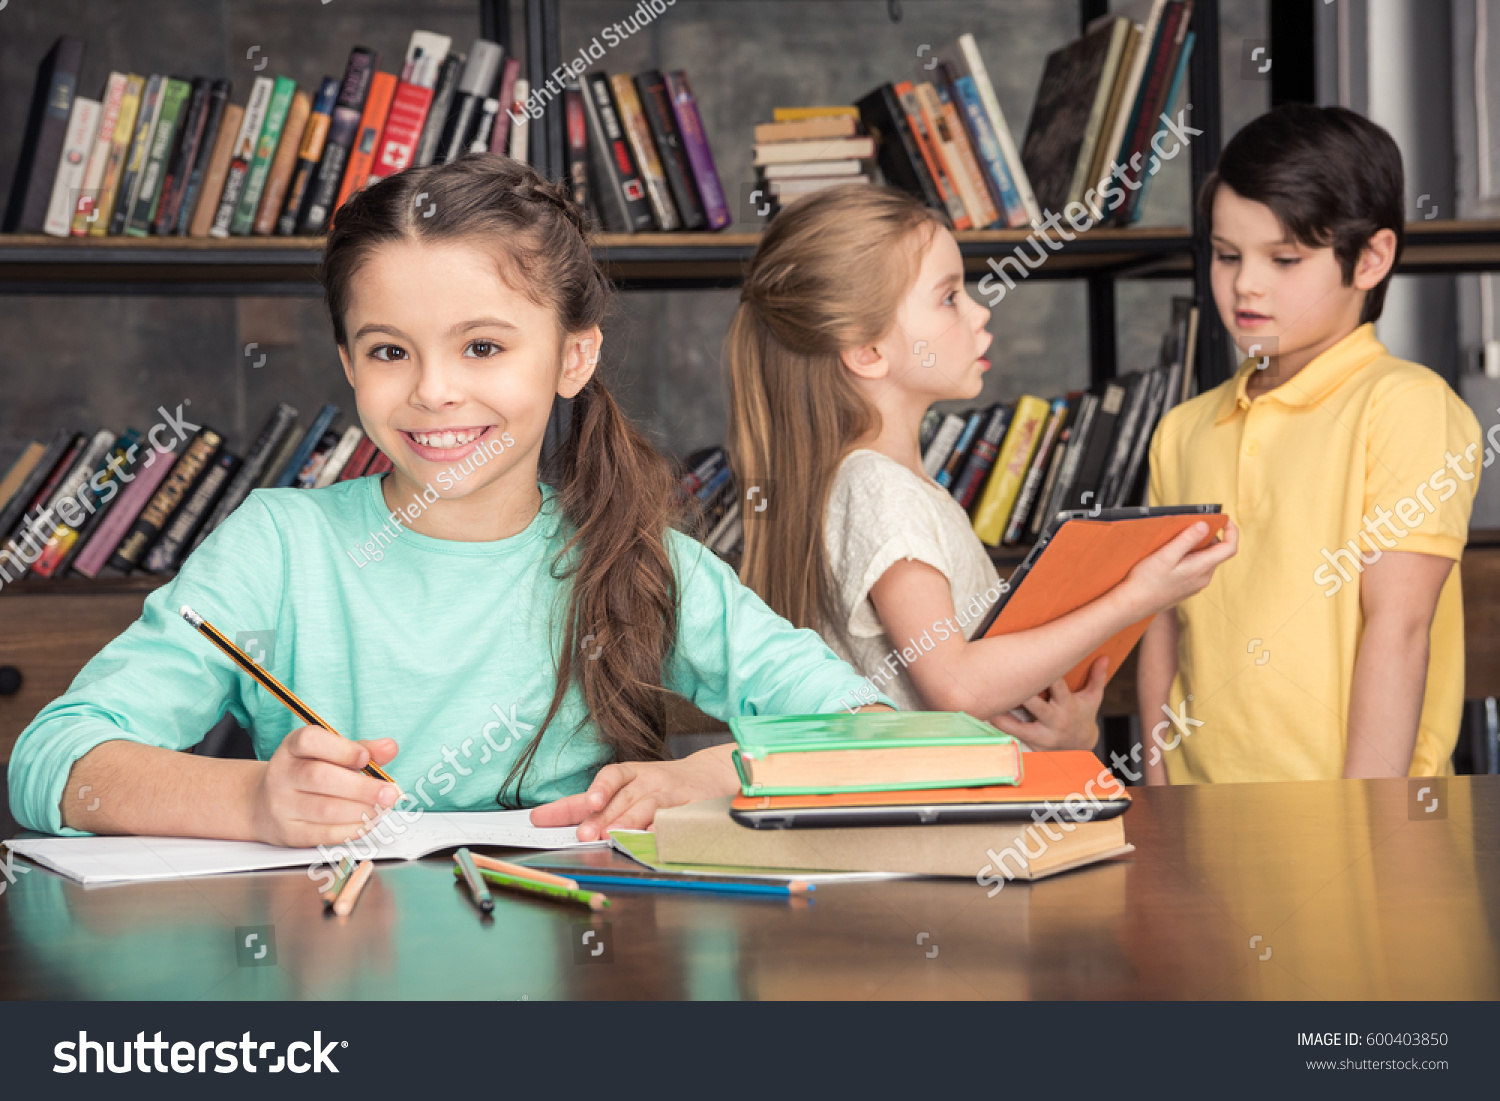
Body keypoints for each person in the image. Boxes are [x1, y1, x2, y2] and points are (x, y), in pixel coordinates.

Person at [8, 155, 890, 844]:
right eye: (390, 351)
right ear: (349, 363)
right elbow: (49, 761)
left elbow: (876, 737)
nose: (433, 391)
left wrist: (717, 774)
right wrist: (254, 798)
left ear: (573, 358)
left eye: (482, 347)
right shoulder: (277, 547)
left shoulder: (639, 558)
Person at [725, 183, 1236, 749]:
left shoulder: (889, 485)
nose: (979, 310)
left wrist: (1067, 731)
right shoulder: (879, 490)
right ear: (868, 351)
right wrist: (1134, 599)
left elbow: (982, 697)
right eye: (948, 297)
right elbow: (956, 685)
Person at [1138, 104, 1482, 783]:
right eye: (1228, 255)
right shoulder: (1182, 430)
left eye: (1285, 258)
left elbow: (1400, 630)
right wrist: (1160, 798)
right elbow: (1163, 630)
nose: (1246, 285)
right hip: (1201, 830)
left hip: (1359, 830)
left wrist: (1362, 831)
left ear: (1371, 258)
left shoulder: (1404, 406)